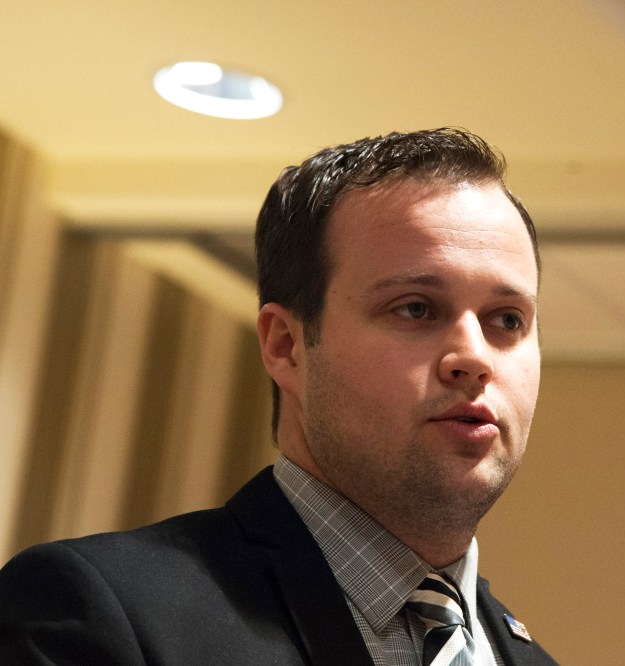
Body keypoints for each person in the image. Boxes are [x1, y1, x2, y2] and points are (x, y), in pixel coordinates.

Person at [0, 128, 557, 665]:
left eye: (507, 319)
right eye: (415, 308)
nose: (475, 358)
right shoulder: (98, 611)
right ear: (287, 346)